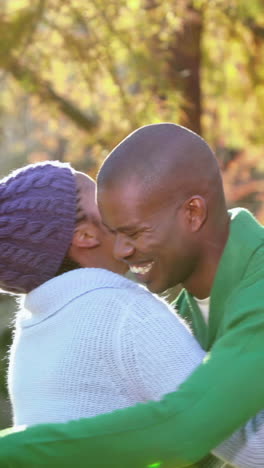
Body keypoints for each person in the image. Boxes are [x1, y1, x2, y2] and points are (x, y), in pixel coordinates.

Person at [0, 125, 263, 467]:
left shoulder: (256, 286)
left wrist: (14, 450)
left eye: (134, 231)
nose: (122, 248)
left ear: (193, 213)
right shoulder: (165, 312)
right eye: (112, 225)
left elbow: (189, 429)